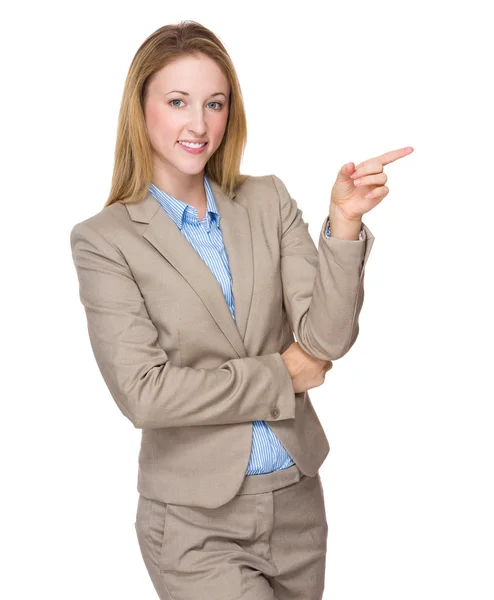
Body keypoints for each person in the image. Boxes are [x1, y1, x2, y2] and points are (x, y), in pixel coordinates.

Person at [70, 19, 413, 600]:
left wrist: (345, 225)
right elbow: (145, 393)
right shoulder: (104, 240)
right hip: (193, 522)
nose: (198, 124)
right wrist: (281, 374)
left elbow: (324, 340)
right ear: (141, 107)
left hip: (296, 503)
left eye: (215, 103)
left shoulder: (267, 198)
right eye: (177, 101)